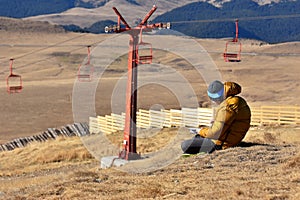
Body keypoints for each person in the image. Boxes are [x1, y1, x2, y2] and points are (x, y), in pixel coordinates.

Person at [181, 80, 251, 154]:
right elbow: (227, 124)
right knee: (197, 138)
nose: (214, 102)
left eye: (214, 99)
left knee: (185, 145)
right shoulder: (235, 101)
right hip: (230, 139)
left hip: (223, 144)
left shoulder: (227, 107)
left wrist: (200, 130)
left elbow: (215, 133)